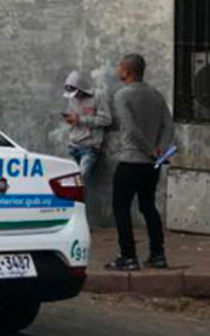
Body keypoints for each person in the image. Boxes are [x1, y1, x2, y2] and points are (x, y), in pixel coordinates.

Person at [106, 54, 175, 272]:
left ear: (127, 71)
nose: (118, 70)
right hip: (151, 165)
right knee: (148, 207)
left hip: (131, 160)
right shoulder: (155, 95)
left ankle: (128, 256)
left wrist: (149, 150)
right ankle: (158, 254)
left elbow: (131, 128)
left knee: (121, 208)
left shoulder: (122, 95)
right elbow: (168, 125)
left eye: (120, 67)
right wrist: (160, 150)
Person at [61, 71, 112, 180]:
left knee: (79, 181)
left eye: (77, 93)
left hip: (90, 147)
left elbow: (106, 120)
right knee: (66, 181)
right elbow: (73, 115)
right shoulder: (73, 99)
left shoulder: (98, 96)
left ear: (81, 88)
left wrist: (80, 119)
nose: (76, 97)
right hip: (73, 144)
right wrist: (71, 119)